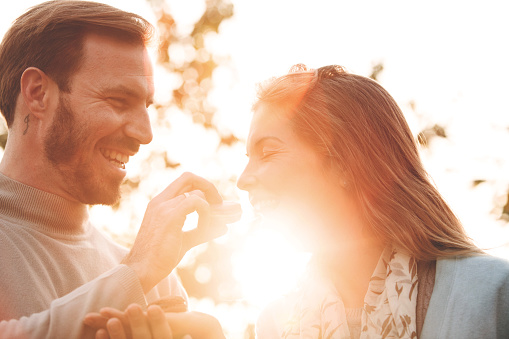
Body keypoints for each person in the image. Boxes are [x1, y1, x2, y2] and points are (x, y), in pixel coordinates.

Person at [0, 1, 230, 338]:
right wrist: (135, 272)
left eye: (146, 106)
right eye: (118, 101)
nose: (145, 134)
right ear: (37, 93)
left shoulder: (158, 282)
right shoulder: (142, 272)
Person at [234, 64, 509, 338]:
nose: (242, 180)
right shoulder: (275, 324)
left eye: (268, 153)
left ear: (343, 163)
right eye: (248, 159)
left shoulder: (490, 295)